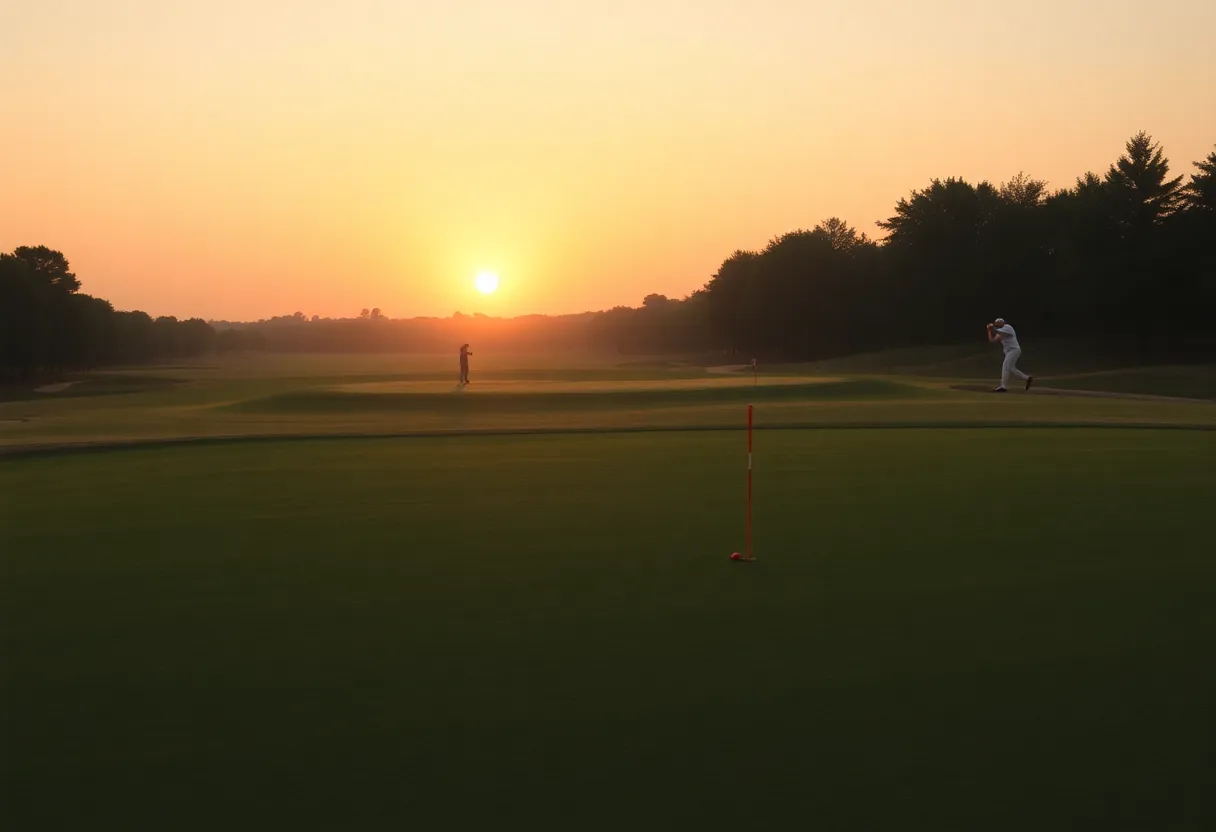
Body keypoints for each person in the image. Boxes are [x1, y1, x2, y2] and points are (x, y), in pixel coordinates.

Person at [986, 318, 1033, 392]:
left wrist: (991, 327)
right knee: (1011, 368)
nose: (997, 325)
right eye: (996, 323)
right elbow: (992, 340)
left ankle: (1003, 386)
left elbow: (997, 331)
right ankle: (1027, 378)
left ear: (1002, 323)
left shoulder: (1007, 327)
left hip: (1014, 350)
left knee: (1005, 366)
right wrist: (989, 331)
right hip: (1009, 352)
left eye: (998, 323)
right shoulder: (1000, 331)